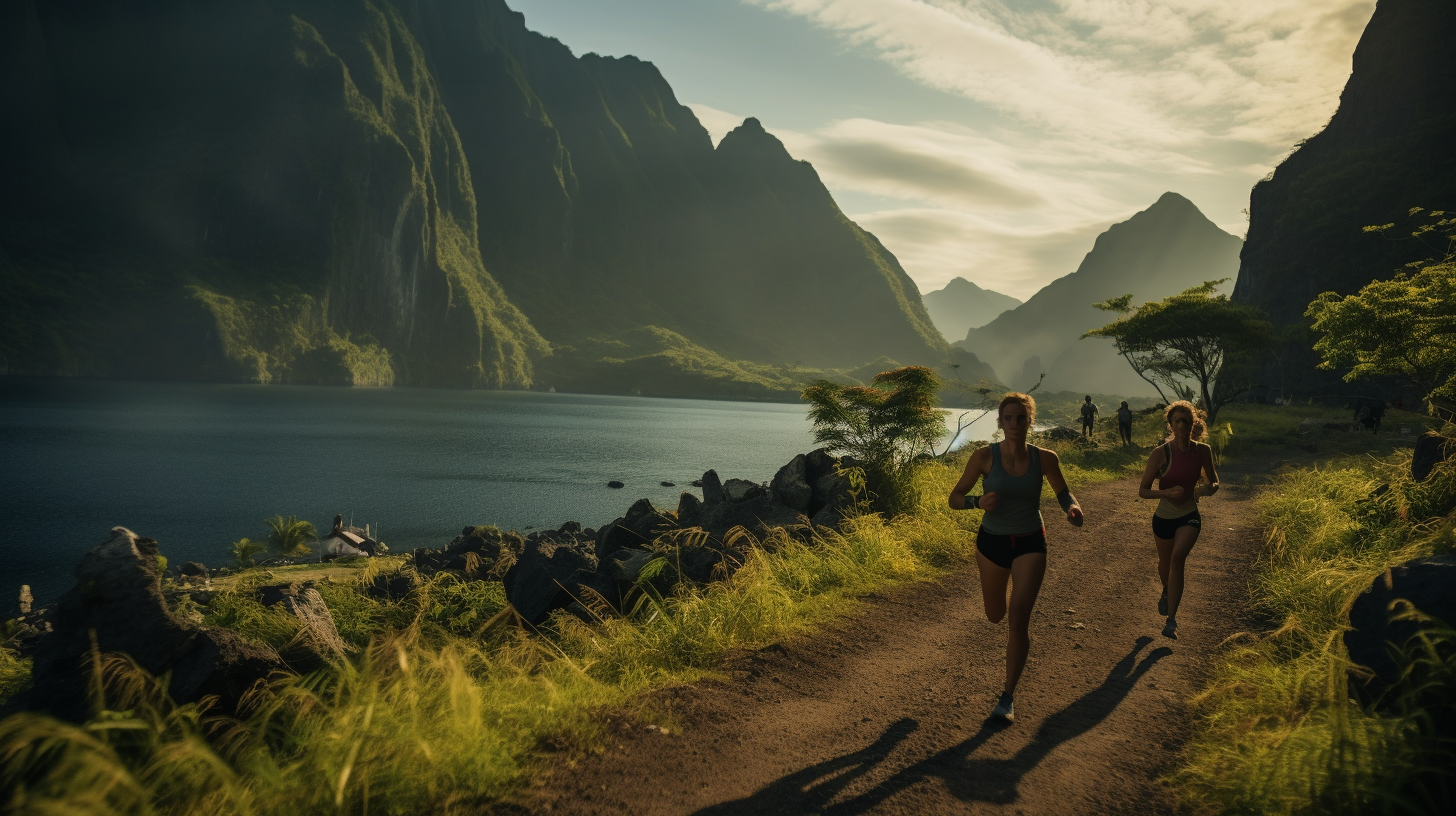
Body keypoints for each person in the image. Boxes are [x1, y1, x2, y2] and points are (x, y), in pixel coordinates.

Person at [949, 392, 1084, 723]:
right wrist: (976, 503)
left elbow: (1062, 492)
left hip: (1030, 543)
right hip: (991, 544)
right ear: (1000, 422)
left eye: (1020, 418)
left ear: (1030, 421)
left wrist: (1072, 507)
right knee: (996, 615)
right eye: (1008, 418)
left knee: (1019, 618)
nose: (1014, 424)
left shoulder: (1045, 458)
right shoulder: (983, 457)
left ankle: (1007, 698)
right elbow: (954, 498)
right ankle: (1004, 605)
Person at [1138, 400, 1219, 641]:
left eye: (1187, 420)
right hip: (1163, 517)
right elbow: (1143, 490)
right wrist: (1165, 493)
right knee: (1165, 563)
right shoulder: (1161, 453)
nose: (1182, 424)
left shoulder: (1203, 451)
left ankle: (1171, 620)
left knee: (1176, 560)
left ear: (1194, 423)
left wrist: (1205, 490)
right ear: (1171, 425)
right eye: (1178, 420)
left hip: (1189, 515)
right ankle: (1166, 591)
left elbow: (1214, 482)